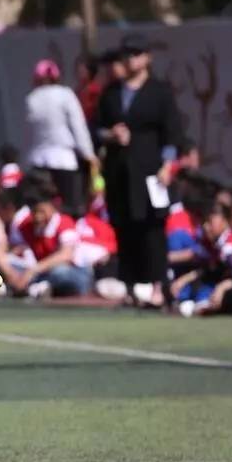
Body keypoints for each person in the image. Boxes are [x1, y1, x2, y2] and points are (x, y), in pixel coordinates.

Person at [95, 34, 183, 308]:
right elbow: (95, 128)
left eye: (136, 54)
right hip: (119, 170)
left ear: (147, 58)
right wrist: (111, 134)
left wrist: (168, 165)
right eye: (127, 54)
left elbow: (172, 133)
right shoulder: (111, 93)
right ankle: (131, 285)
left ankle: (158, 286)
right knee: (124, 226)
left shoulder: (160, 92)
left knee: (152, 228)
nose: (130, 59)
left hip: (151, 171)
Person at [24, 59, 97, 217]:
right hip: (65, 160)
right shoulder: (65, 94)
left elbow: (29, 135)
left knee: (43, 210)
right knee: (71, 209)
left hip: (39, 162)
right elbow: (78, 127)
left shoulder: (32, 99)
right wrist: (89, 154)